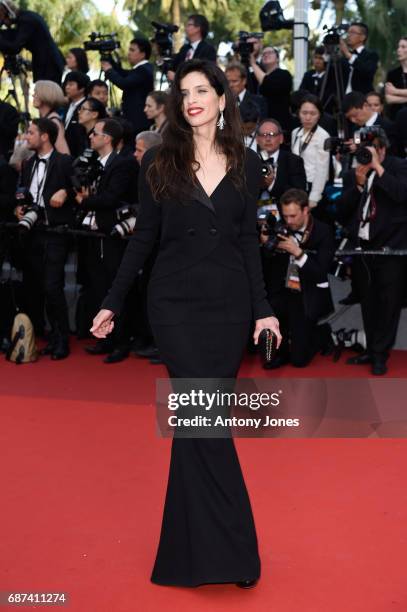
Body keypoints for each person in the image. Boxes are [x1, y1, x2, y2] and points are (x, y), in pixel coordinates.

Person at [90, 59, 281, 588]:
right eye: (183, 92)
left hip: (227, 310)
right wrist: (112, 300)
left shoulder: (245, 162)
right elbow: (144, 240)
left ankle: (185, 555)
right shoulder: (158, 160)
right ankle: (235, 554)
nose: (192, 98)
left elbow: (247, 244)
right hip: (173, 309)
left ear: (223, 98)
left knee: (200, 428)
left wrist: (264, 309)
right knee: (206, 425)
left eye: (203, 89)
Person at [337, 128, 407, 375]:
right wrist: (357, 185)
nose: (365, 155)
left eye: (372, 150)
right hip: (363, 250)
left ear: (383, 149)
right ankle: (370, 348)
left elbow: (402, 194)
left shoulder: (398, 167)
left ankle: (380, 354)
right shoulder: (356, 170)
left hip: (391, 250)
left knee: (388, 304)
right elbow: (342, 211)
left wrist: (379, 169)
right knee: (368, 302)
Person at [75, 118, 139, 364]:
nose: (91, 136)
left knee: (117, 288)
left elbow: (112, 198)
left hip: (115, 235)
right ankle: (106, 338)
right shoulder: (94, 163)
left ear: (107, 139)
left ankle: (121, 342)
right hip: (95, 234)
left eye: (96, 133)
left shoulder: (123, 164)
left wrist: (85, 201)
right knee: (100, 287)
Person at [15, 118, 74, 357]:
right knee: (38, 286)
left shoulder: (64, 162)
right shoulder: (28, 164)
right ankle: (50, 335)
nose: (26, 137)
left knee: (53, 286)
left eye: (30, 133)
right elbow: (23, 193)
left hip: (56, 232)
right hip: (32, 233)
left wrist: (66, 191)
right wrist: (18, 209)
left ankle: (62, 339)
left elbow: (80, 186)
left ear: (45, 136)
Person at [261, 188, 335, 368]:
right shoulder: (280, 227)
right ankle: (281, 349)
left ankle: (322, 333)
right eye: (285, 216)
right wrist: (266, 245)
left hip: (307, 293)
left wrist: (297, 252)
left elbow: (320, 272)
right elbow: (267, 263)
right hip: (282, 289)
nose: (289, 221)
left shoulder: (323, 232)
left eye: (293, 216)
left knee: (299, 361)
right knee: (269, 360)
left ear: (305, 210)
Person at [0, 0, 64, 83]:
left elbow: (15, 47)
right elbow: (13, 35)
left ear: (9, 13)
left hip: (48, 65)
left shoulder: (27, 21)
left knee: (45, 94)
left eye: (2, 18)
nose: (3, 23)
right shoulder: (26, 17)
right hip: (48, 62)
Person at [101, 38, 154, 136]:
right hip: (135, 121)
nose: (129, 53)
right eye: (129, 49)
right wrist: (111, 62)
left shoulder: (143, 70)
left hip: (138, 122)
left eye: (132, 50)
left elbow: (124, 83)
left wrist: (109, 70)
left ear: (143, 54)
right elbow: (124, 74)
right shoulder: (140, 69)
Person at [291, 95, 330, 208]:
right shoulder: (295, 132)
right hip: (296, 184)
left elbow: (322, 169)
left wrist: (314, 196)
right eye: (304, 113)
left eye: (313, 114)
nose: (308, 117)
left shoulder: (323, 136)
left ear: (319, 115)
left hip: (312, 185)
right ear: (298, 113)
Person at [256, 118, 306, 203]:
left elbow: (298, 195)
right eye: (264, 135)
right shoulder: (249, 160)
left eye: (272, 135)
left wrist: (271, 184)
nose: (268, 139)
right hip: (255, 211)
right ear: (257, 139)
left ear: (281, 138)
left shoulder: (294, 161)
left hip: (283, 212)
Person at [250, 47, 292, 133]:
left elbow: (268, 84)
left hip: (278, 126)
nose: (266, 55)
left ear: (277, 58)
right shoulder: (254, 76)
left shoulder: (284, 74)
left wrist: (253, 64)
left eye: (269, 52)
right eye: (264, 54)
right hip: (258, 125)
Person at [225, 61, 267, 145]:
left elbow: (263, 128)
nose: (230, 85)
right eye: (228, 81)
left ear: (244, 81)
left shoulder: (259, 102)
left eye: (234, 81)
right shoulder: (221, 102)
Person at [168, 14, 217, 80]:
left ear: (198, 28)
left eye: (189, 25)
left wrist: (178, 78)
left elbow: (207, 73)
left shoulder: (208, 49)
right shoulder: (184, 49)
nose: (186, 28)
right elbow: (172, 68)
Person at [340, 22, 379, 94]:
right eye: (348, 32)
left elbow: (367, 71)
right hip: (343, 99)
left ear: (362, 37)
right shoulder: (344, 57)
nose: (348, 35)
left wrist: (348, 55)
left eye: (352, 32)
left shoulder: (371, 55)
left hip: (362, 98)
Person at [33, 80, 70, 155]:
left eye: (36, 93)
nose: (33, 95)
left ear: (45, 95)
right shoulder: (47, 118)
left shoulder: (53, 121)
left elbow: (64, 153)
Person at [63, 71, 90, 157]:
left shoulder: (87, 107)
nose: (67, 87)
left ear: (82, 88)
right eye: (66, 84)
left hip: (79, 155)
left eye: (71, 85)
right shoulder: (67, 106)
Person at [384, 37, 407, 120]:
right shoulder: (392, 73)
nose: (398, 50)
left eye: (403, 47)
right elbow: (389, 99)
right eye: (398, 47)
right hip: (397, 118)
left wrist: (396, 91)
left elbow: (393, 95)